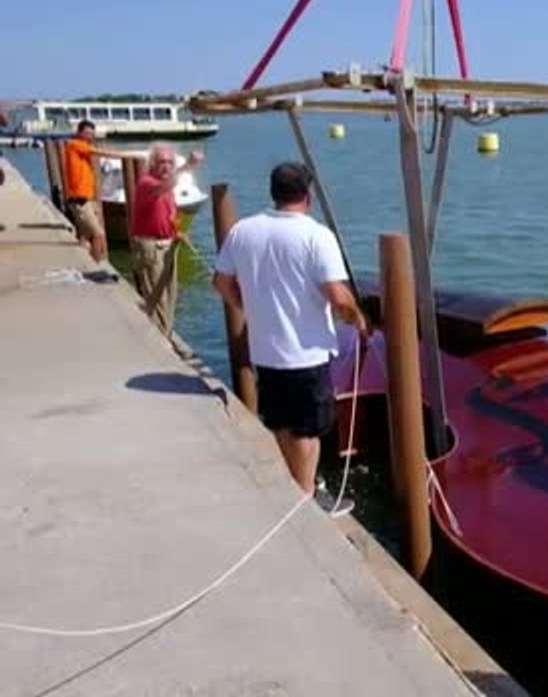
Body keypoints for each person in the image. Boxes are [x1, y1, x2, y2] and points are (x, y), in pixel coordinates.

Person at [212, 162, 369, 515]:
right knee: (306, 433)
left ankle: (301, 489)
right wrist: (357, 320)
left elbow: (220, 283)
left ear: (274, 192)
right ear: (308, 195)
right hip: (305, 354)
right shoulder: (316, 235)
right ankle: (303, 500)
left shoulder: (243, 231)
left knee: (283, 425)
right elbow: (338, 296)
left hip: (265, 352)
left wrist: (248, 307)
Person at [130, 144, 202, 335]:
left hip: (168, 246)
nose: (167, 166)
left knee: (170, 298)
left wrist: (175, 232)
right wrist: (188, 166)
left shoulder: (167, 187)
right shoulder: (147, 183)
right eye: (162, 162)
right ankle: (162, 344)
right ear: (152, 164)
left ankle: (165, 336)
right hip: (151, 249)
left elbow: (165, 215)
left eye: (170, 162)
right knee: (157, 301)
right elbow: (163, 187)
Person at [63, 120, 130, 262]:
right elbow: (98, 152)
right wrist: (124, 156)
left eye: (92, 134)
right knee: (99, 234)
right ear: (79, 132)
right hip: (79, 200)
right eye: (86, 133)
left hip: (87, 199)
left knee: (85, 236)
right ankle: (96, 265)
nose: (90, 136)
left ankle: (83, 262)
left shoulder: (84, 147)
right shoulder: (75, 145)